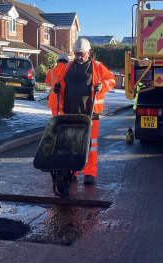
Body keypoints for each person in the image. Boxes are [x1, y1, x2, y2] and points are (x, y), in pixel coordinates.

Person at [53, 38, 116, 185]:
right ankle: (71, 171)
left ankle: (89, 173)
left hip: (90, 114)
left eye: (81, 54)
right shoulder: (68, 66)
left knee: (90, 144)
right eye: (76, 54)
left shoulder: (97, 66)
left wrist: (103, 86)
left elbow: (111, 80)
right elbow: (59, 81)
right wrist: (57, 87)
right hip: (70, 113)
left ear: (88, 52)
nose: (79, 57)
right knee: (70, 144)